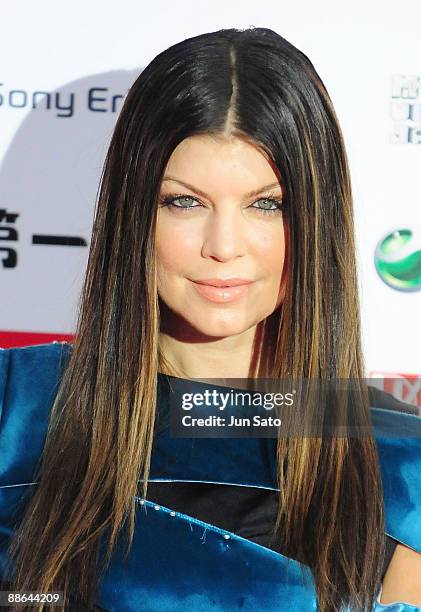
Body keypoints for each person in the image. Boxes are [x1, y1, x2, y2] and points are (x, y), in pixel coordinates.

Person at [0, 26, 421, 612]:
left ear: (317, 219)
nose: (224, 245)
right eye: (184, 202)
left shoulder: (399, 462)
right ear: (134, 213)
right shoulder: (13, 408)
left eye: (266, 204)